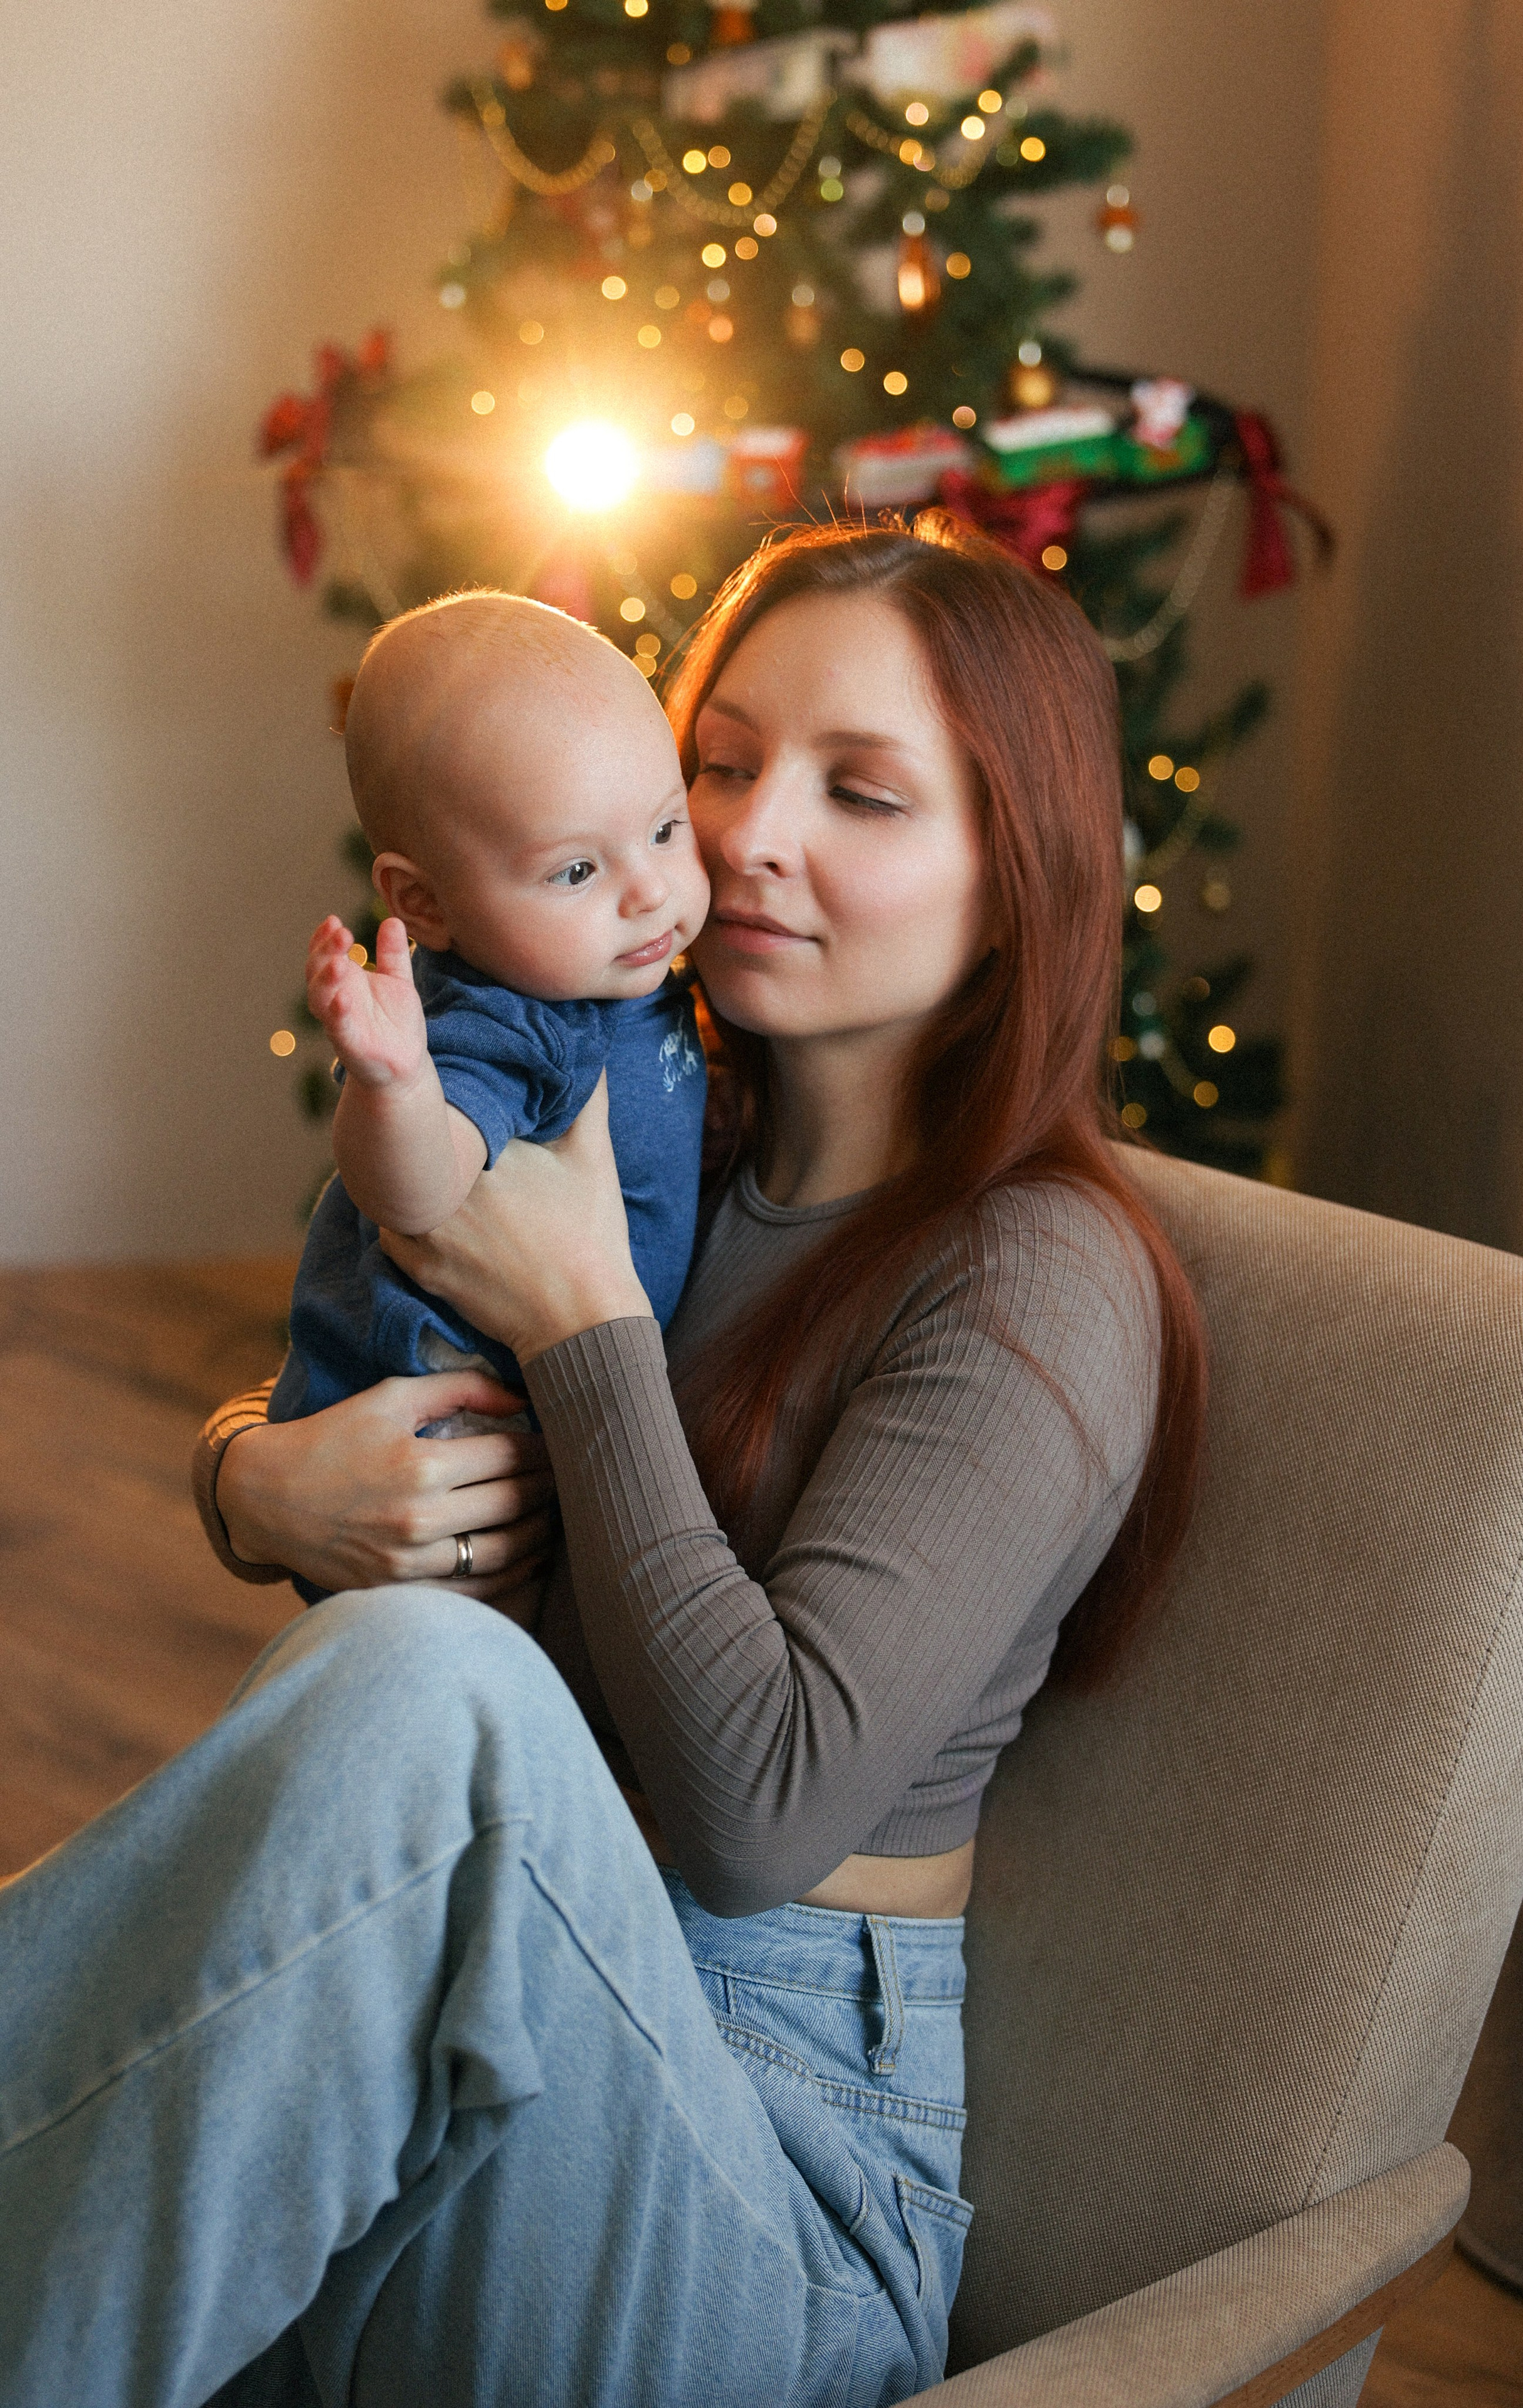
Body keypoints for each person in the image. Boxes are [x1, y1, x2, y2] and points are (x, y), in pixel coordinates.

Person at [0, 517, 1205, 2408]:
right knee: (393, 1695)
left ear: (1015, 869)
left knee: (428, 1683)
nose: (742, 837)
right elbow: (356, 1365)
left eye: (862, 794)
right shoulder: (649, 1131)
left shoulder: (1036, 1272)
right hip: (483, 2005)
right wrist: (252, 1483)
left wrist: (587, 1335)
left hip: (783, 2184)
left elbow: (757, 1812)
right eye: (717, 764)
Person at [268, 596, 710, 1609]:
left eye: (666, 826)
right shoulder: (510, 1018)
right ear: (422, 905)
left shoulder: (632, 968)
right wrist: (398, 1084)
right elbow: (421, 1191)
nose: (650, 891)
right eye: (577, 869)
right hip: (430, 1438)